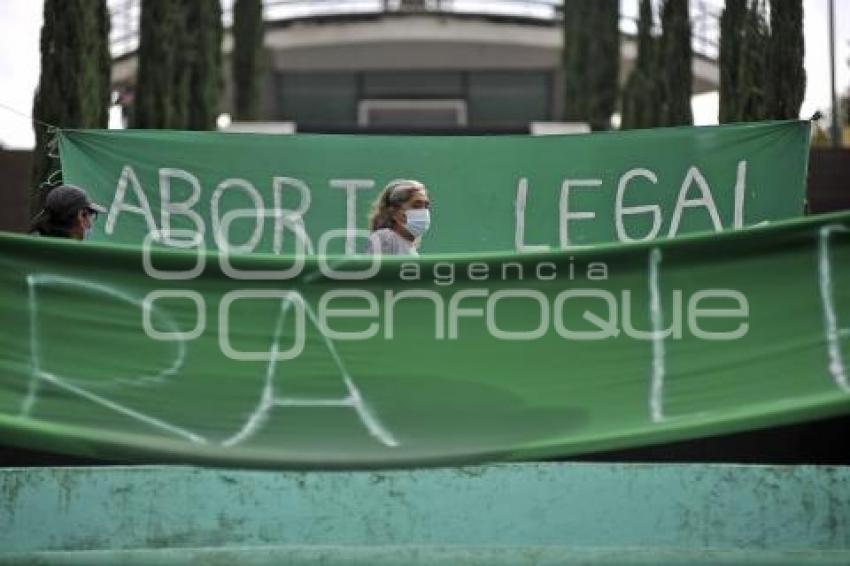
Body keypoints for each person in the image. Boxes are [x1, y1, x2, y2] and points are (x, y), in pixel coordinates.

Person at [365, 179, 431, 256]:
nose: (423, 211)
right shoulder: (385, 238)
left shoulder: (411, 250)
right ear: (394, 212)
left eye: (426, 206)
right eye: (416, 206)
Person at [30, 184, 106, 240]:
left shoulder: (29, 244)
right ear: (81, 215)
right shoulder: (75, 257)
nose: (90, 224)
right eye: (91, 215)